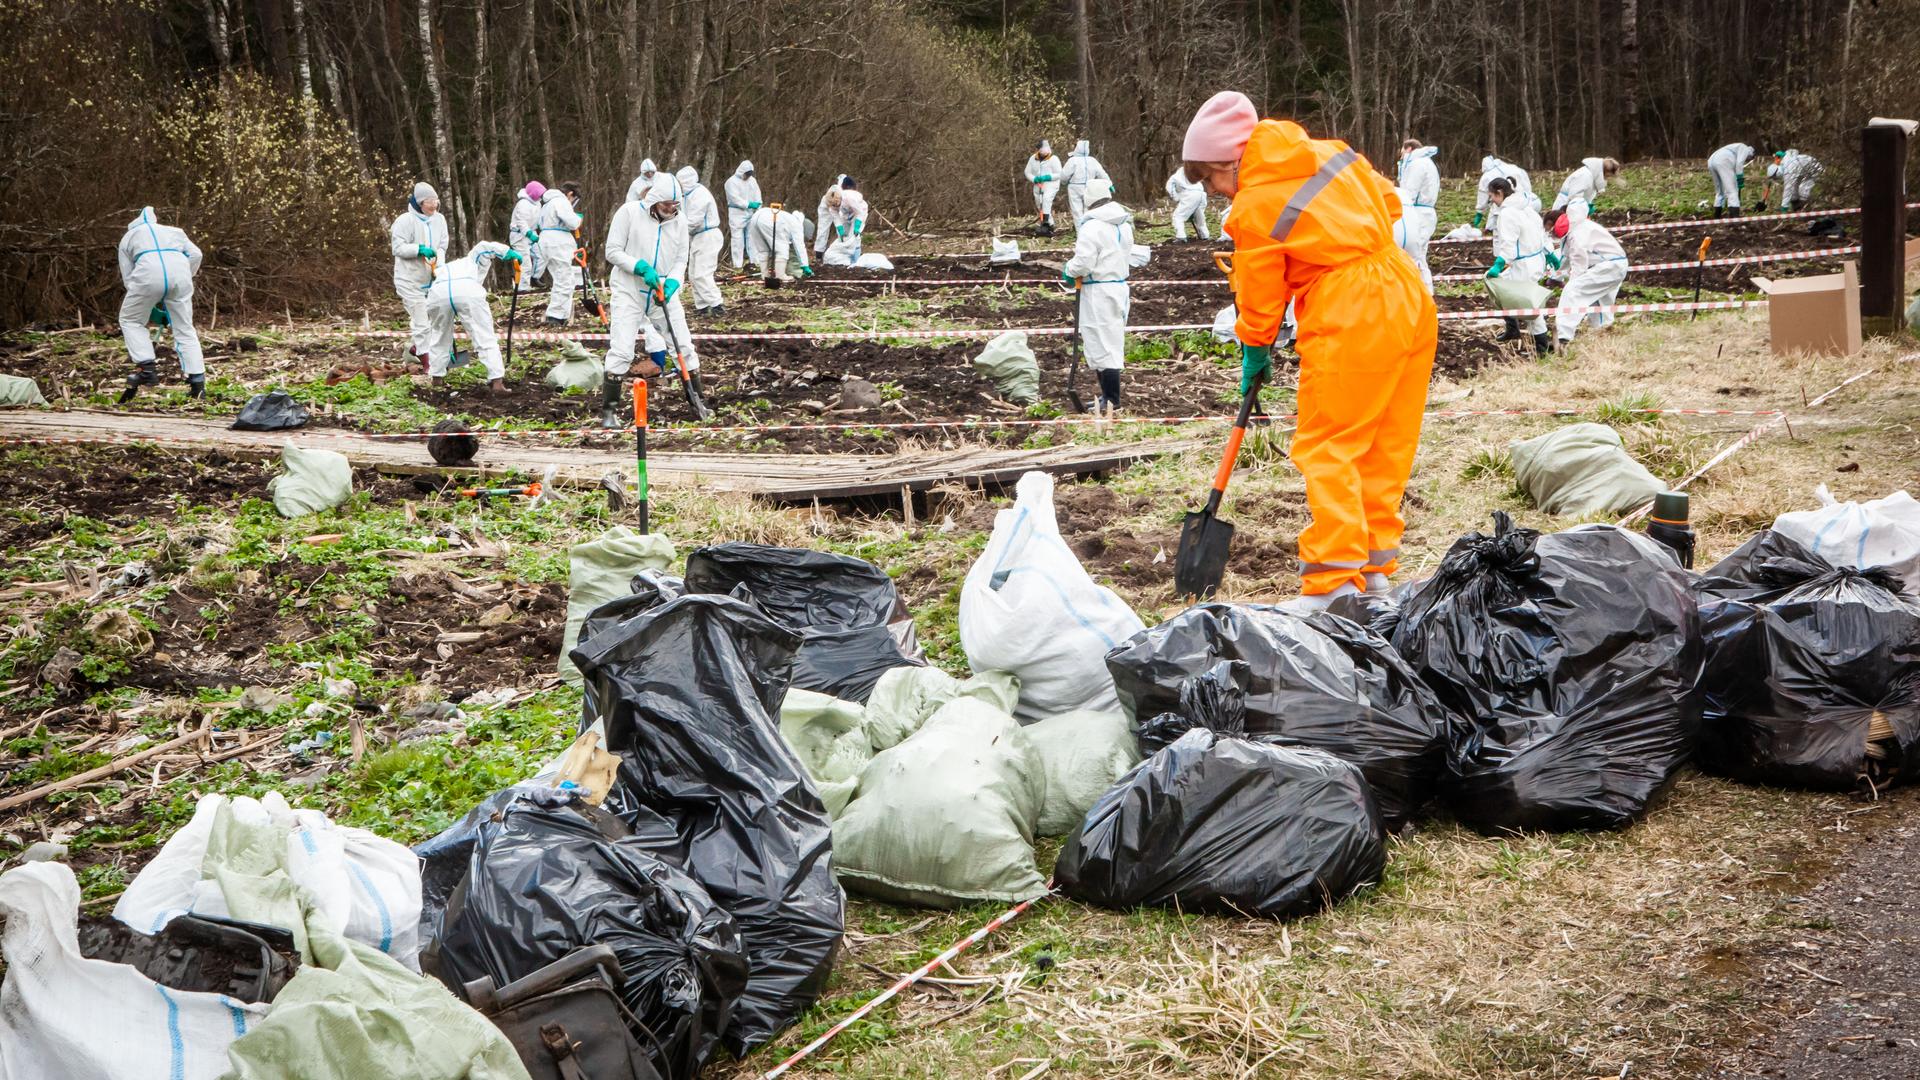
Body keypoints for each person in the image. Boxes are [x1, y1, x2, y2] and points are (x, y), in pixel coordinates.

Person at [1181, 91, 1438, 610]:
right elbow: (1390, 204)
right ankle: (1374, 575)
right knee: (1385, 443)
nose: (1215, 192)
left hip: (1351, 306)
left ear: (1230, 160)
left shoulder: (1253, 206)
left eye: (1211, 179)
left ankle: (1334, 588)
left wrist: (1254, 347)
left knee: (1330, 444)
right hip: (1406, 292)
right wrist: (1341, 235)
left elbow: (1259, 296)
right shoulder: (1332, 152)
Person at [603, 172, 704, 429]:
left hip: (661, 290)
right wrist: (639, 267)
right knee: (622, 348)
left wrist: (673, 282)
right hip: (630, 288)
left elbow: (681, 258)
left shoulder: (679, 222)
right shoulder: (628, 213)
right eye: (666, 204)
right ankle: (610, 412)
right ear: (654, 200)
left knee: (683, 344)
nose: (671, 209)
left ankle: (698, 401)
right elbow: (612, 251)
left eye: (675, 204)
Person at [116, 207, 206, 400]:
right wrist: (185, 276)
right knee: (184, 327)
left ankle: (146, 368)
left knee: (130, 319)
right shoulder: (175, 231)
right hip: (180, 276)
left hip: (147, 276)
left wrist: (147, 299)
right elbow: (196, 254)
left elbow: (128, 278)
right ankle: (197, 380)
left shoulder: (128, 238)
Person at [1062, 177, 1134, 415]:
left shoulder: (1092, 227)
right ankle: (1106, 397)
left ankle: (1112, 399)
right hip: (1117, 286)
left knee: (1103, 343)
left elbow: (1084, 261)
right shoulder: (1123, 224)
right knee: (1105, 340)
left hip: (1099, 290)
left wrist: (1070, 271)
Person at [422, 242, 521, 392]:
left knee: (439, 335)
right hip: (467, 290)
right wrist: (508, 252)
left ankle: (437, 380)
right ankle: (497, 383)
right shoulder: (472, 259)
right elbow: (484, 247)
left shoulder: (443, 268)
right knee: (484, 335)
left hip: (439, 292)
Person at [1543, 207, 1628, 348]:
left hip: (1608, 267)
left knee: (1572, 292)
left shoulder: (1577, 234)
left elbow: (1578, 264)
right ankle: (1604, 339)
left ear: (1556, 224)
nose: (1552, 235)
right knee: (1600, 303)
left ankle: (1563, 337)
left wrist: (1570, 281)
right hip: (1614, 266)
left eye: (1550, 231)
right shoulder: (1576, 228)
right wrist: (1557, 276)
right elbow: (1566, 258)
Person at [1485, 176, 1552, 354]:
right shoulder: (1527, 207)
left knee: (1528, 306)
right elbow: (1540, 233)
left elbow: (1508, 245)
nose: (1491, 200)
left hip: (1524, 265)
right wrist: (1549, 253)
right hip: (1535, 261)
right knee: (1503, 290)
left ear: (1499, 193)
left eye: (1492, 195)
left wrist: (1498, 265)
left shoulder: (1507, 213)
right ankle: (1512, 327)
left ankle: (1542, 348)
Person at [389, 181, 449, 371]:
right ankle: (427, 363)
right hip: (409, 279)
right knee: (421, 320)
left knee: (435, 318)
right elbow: (397, 248)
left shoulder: (439, 220)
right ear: (419, 203)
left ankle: (417, 349)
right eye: (429, 202)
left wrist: (438, 264)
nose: (433, 206)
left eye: (435, 202)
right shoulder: (404, 221)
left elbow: (442, 245)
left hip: (431, 277)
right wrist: (418, 249)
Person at [678, 165, 725, 314]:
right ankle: (702, 306)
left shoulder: (700, 195)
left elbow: (693, 221)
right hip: (697, 237)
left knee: (702, 273)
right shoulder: (687, 195)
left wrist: (676, 232)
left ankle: (716, 304)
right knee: (693, 274)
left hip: (708, 235)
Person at [536, 180, 584, 325]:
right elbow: (573, 222)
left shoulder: (547, 204)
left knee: (560, 278)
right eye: (573, 199)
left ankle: (557, 313)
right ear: (570, 194)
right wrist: (578, 219)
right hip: (557, 243)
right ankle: (556, 316)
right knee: (565, 279)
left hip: (546, 241)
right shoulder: (561, 202)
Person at [1395, 139, 1440, 290]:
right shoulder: (1426, 162)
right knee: (1419, 254)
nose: (1400, 155)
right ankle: (1423, 291)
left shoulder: (1417, 164)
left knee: (1415, 255)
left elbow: (1409, 192)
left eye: (1402, 150)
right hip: (1424, 212)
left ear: (1408, 149)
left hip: (1417, 212)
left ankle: (1422, 291)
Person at [748, 204, 813, 283]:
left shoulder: (787, 218)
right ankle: (780, 275)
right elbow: (800, 246)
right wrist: (805, 265)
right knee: (782, 249)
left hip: (755, 217)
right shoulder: (797, 225)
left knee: (763, 250)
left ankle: (764, 275)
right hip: (769, 220)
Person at [1473, 155, 1537, 232]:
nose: (1491, 198)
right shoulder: (1511, 167)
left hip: (1514, 200)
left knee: (1497, 213)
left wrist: (1479, 212)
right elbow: (1525, 181)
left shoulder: (1486, 176)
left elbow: (1482, 194)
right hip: (1527, 198)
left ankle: (1491, 229)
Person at [1061, 139, 1111, 226]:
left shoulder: (1073, 161)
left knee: (1077, 211)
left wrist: (1064, 183)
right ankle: (1089, 231)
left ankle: (1081, 233)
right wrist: (1109, 184)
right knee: (1088, 209)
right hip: (1089, 187)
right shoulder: (1092, 161)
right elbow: (1102, 174)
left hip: (1074, 188)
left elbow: (1064, 176)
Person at [507, 181, 546, 291]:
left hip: (532, 233)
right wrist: (529, 234)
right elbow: (521, 222)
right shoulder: (523, 204)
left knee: (542, 255)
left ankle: (535, 277)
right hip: (519, 235)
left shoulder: (537, 203)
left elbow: (538, 219)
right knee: (525, 262)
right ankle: (522, 287)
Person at [723, 160, 762, 270]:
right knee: (737, 239)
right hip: (737, 213)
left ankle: (754, 262)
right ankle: (737, 264)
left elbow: (757, 194)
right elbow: (734, 199)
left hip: (751, 212)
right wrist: (748, 204)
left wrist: (758, 205)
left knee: (752, 237)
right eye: (746, 174)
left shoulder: (752, 181)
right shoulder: (731, 182)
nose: (748, 176)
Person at [1551, 156, 1619, 213]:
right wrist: (1585, 208)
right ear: (1604, 171)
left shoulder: (1593, 177)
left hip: (1573, 211)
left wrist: (1586, 207)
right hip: (1563, 209)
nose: (1607, 179)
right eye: (1608, 176)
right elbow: (1574, 196)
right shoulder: (1584, 175)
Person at [1707, 142, 1756, 218]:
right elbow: (1739, 164)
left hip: (1711, 160)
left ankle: (1717, 216)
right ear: (1751, 154)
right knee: (1732, 191)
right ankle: (1734, 218)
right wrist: (1740, 178)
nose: (1746, 160)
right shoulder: (1745, 149)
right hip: (1723, 160)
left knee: (1720, 192)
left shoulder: (1734, 148)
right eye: (1748, 159)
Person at [1165, 165, 1211, 242]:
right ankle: (1204, 236)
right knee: (1199, 217)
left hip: (1189, 195)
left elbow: (1169, 187)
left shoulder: (1175, 177)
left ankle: (1181, 237)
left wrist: (1176, 198)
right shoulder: (1190, 174)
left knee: (1178, 217)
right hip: (1201, 194)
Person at [1025, 140, 1061, 235]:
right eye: (1041, 149)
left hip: (1051, 184)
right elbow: (1027, 172)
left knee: (1046, 200)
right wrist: (1034, 179)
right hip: (1038, 184)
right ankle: (1049, 224)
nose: (1044, 151)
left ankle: (1045, 223)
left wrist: (1048, 177)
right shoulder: (1033, 158)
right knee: (1039, 204)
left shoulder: (1054, 159)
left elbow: (1060, 173)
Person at [832, 176, 869, 261]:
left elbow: (859, 212)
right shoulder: (832, 201)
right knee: (843, 236)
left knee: (855, 236)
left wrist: (857, 226)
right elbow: (835, 215)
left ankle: (855, 259)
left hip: (859, 212)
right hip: (846, 214)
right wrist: (839, 228)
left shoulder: (850, 198)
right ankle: (844, 258)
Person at [815, 175, 845, 256]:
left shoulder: (845, 197)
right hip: (826, 206)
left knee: (844, 227)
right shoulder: (827, 200)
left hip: (840, 204)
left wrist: (841, 227)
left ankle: (844, 249)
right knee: (822, 229)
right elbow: (833, 215)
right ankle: (819, 253)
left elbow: (841, 216)